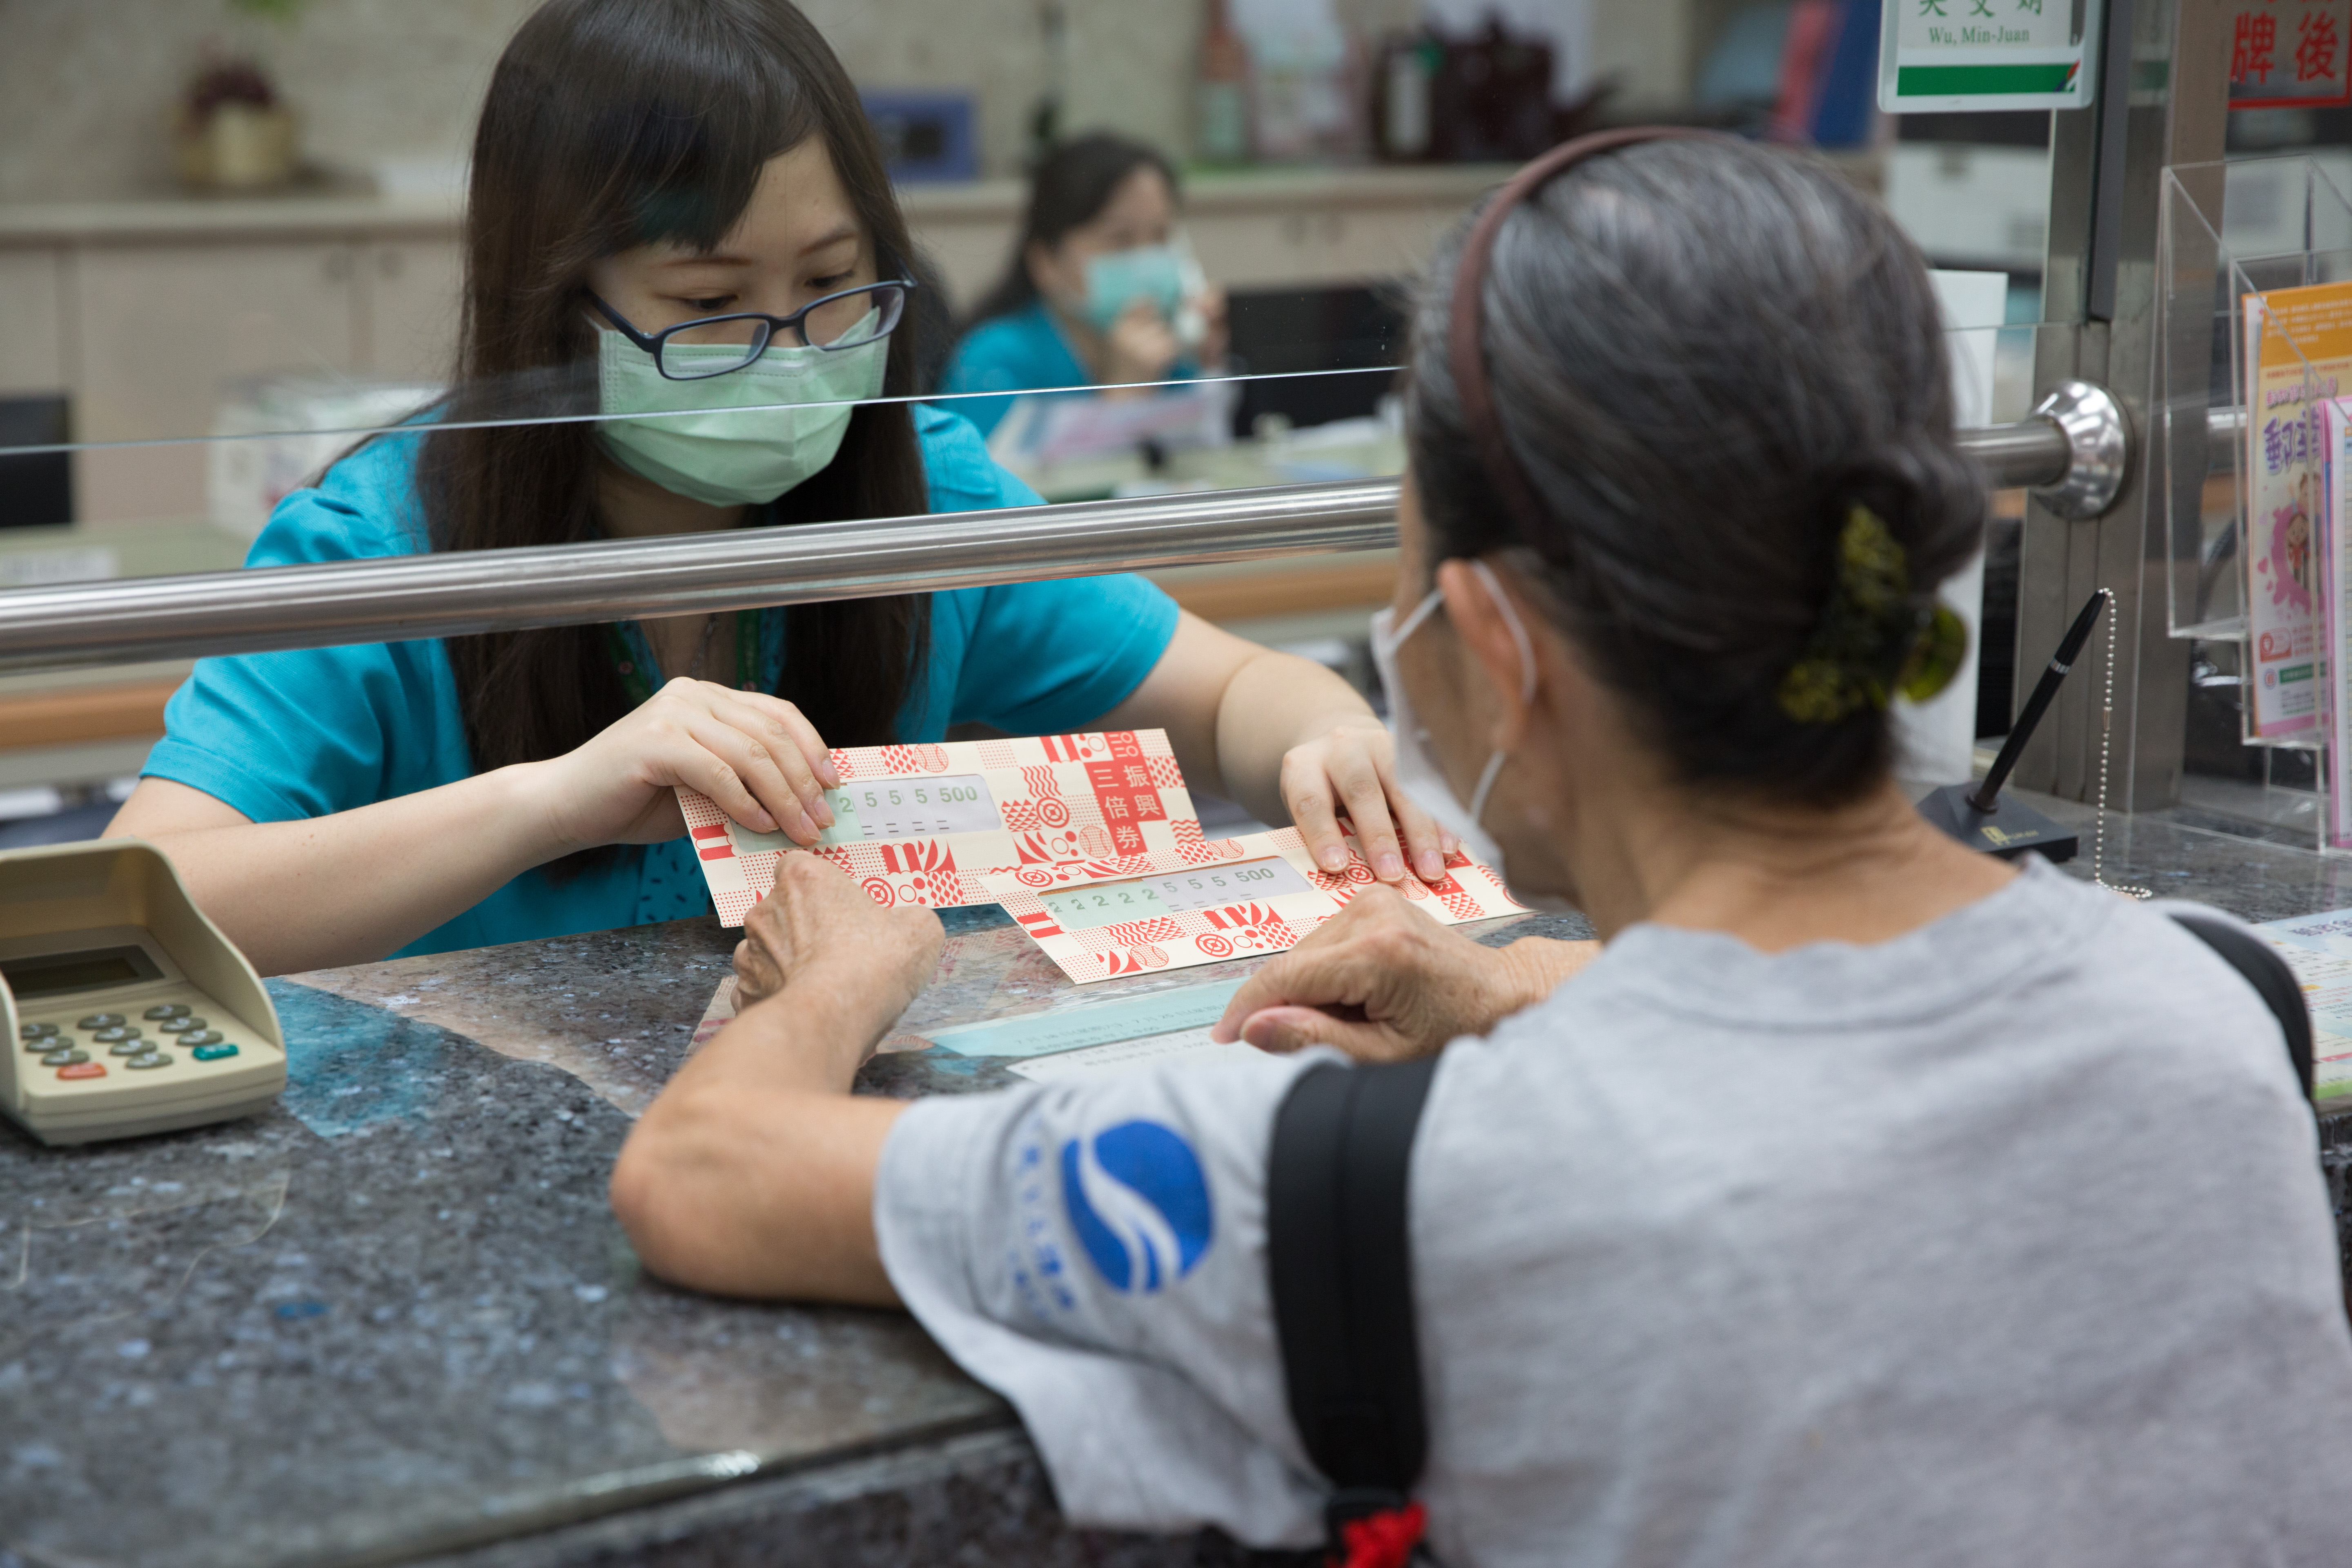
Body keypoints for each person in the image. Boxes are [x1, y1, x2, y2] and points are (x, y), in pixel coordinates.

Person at [608, 132, 2352, 1564]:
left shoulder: (1351, 1183)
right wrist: (1526, 987)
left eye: (1404, 587)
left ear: (1498, 651)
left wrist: (844, 973)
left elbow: (704, 1174)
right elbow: (1843, 1040)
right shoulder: (2223, 997)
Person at [107, 0, 1446, 977]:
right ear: (555, 314)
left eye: (830, 285)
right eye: (709, 304)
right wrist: (555, 797)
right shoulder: (383, 552)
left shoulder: (924, 497)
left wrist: (1323, 732)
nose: (794, 352)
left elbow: (1229, 695)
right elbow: (148, 900)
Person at [937, 133, 1227, 439]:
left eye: (1161, 236)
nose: (1146, 259)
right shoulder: (993, 363)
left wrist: (1216, 370)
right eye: (1120, 238)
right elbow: (1003, 482)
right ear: (1046, 262)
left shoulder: (1172, 361)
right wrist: (1122, 402)